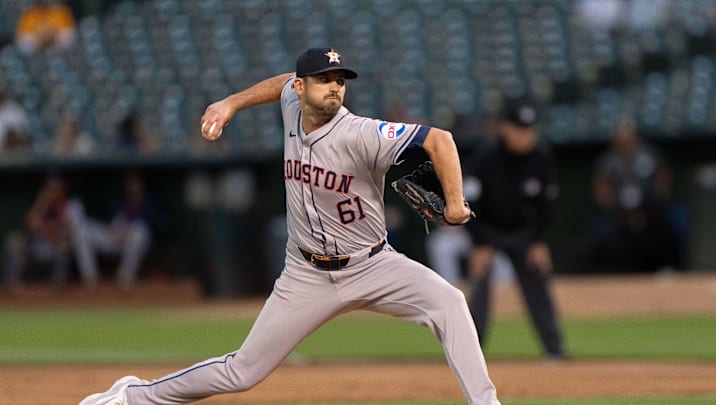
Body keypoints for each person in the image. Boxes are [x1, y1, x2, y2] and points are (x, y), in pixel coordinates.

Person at [79, 47, 501, 405]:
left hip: (374, 265)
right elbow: (282, 81)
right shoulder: (291, 102)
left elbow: (439, 139)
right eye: (323, 79)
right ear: (302, 89)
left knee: (449, 302)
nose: (334, 87)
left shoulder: (362, 134)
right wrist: (230, 103)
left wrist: (455, 205)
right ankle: (132, 396)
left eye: (340, 79)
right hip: (306, 274)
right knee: (242, 372)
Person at [465, 100, 567, 360]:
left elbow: (547, 206)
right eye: (519, 128)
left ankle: (555, 350)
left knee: (537, 280)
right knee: (479, 287)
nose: (525, 135)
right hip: (488, 230)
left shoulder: (541, 158)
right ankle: (470, 354)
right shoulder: (485, 158)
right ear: (505, 128)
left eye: (529, 129)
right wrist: (480, 243)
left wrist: (539, 241)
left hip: (524, 232)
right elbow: (470, 202)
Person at [583, 119, 681, 272]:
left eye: (627, 139)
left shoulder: (649, 154)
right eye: (620, 140)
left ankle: (665, 267)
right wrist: (612, 205)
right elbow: (601, 186)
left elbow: (663, 178)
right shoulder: (608, 160)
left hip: (649, 208)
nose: (625, 144)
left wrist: (656, 199)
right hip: (618, 212)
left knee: (663, 227)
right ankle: (614, 271)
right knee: (603, 231)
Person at [70, 171, 158, 290]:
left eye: (137, 183)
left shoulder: (150, 202)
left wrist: (128, 228)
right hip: (114, 237)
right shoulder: (118, 200)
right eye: (131, 184)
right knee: (82, 231)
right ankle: (90, 279)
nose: (134, 187)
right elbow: (108, 220)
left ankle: (125, 279)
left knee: (139, 231)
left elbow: (154, 224)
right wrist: (116, 228)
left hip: (136, 241)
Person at [2, 174, 77, 291]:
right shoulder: (41, 203)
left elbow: (63, 231)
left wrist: (46, 229)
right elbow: (31, 223)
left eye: (56, 189)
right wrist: (43, 202)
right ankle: (12, 283)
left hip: (54, 247)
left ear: (62, 190)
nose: (53, 192)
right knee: (14, 241)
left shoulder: (66, 205)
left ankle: (58, 285)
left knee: (64, 246)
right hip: (36, 245)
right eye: (50, 188)